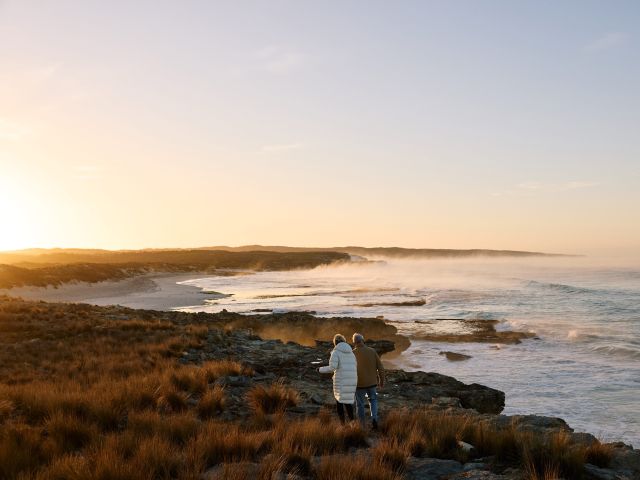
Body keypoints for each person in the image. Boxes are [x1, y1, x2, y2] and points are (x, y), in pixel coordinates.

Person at [318, 333, 357, 424]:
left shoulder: (336, 352)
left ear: (335, 343)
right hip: (352, 381)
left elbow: (332, 368)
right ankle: (353, 425)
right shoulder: (351, 353)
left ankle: (342, 425)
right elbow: (355, 366)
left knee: (339, 403)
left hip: (341, 381)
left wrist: (320, 369)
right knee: (348, 403)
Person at [352, 332, 385, 429]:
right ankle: (374, 419)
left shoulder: (352, 353)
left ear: (354, 342)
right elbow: (380, 367)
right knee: (373, 400)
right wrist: (381, 380)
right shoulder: (372, 351)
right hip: (372, 383)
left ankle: (362, 425)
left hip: (359, 384)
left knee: (360, 404)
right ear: (363, 340)